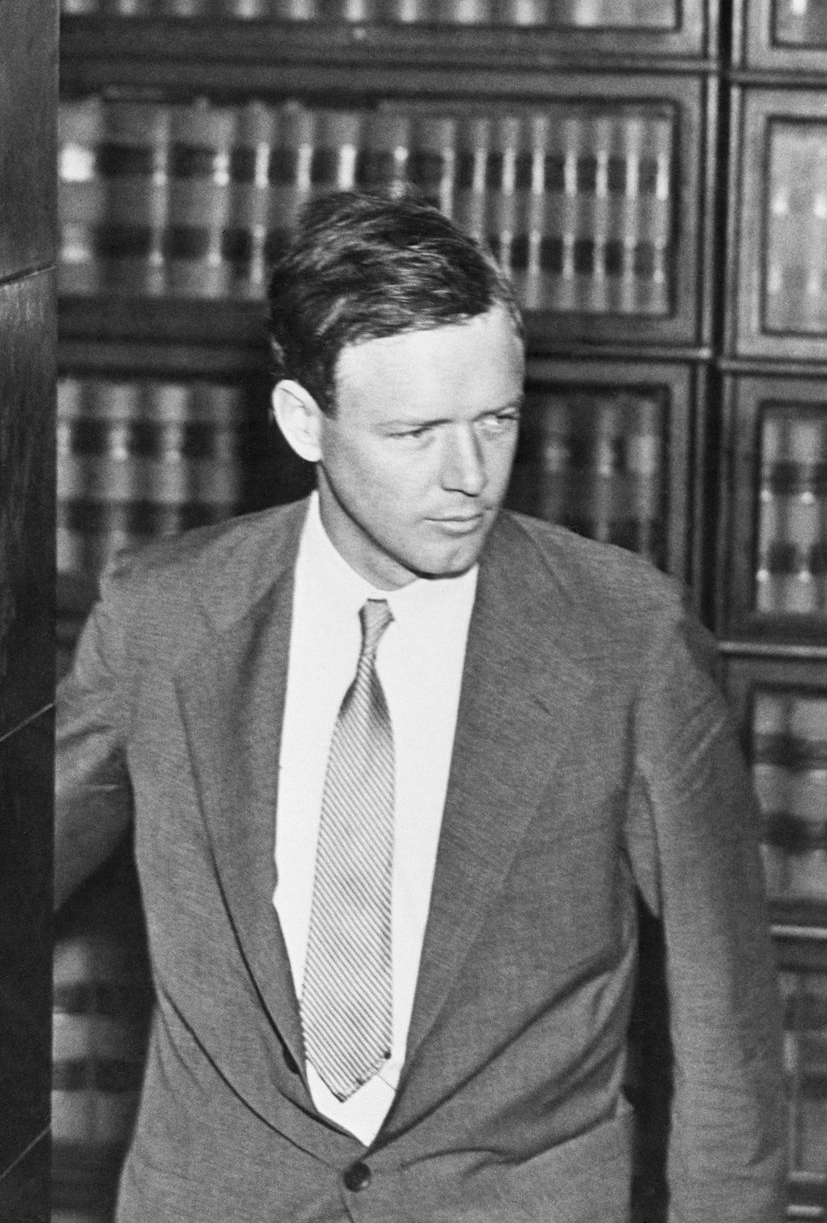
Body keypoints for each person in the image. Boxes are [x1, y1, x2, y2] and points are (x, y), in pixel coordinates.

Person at [53, 189, 788, 1223]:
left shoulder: (627, 637)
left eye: (497, 420)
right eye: (415, 432)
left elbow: (729, 1028)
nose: (470, 477)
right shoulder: (165, 620)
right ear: (304, 422)